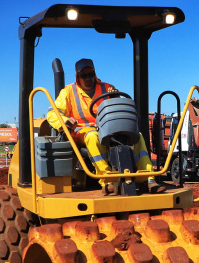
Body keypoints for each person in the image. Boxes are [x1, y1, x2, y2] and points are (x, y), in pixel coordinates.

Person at [46, 59, 153, 194]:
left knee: (137, 135)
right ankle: (107, 179)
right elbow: (52, 113)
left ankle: (147, 178)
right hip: (82, 131)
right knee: (93, 136)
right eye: (84, 75)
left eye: (91, 74)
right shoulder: (68, 92)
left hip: (109, 127)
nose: (88, 78)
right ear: (77, 77)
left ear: (94, 73)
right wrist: (65, 121)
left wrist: (115, 96)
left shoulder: (106, 87)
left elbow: (118, 108)